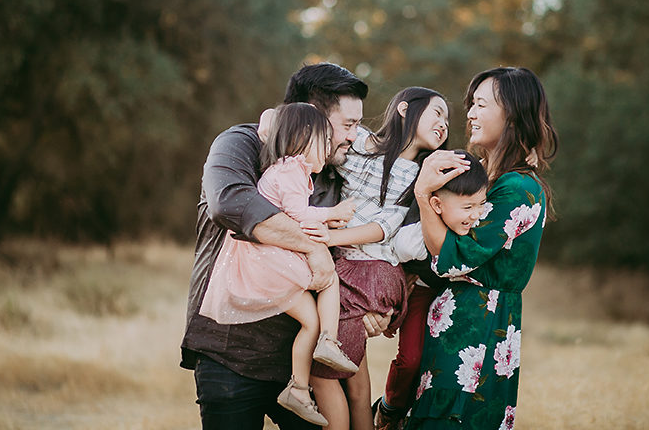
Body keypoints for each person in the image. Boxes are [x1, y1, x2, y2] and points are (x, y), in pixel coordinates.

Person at [180, 62, 372, 430]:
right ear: (311, 117)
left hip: (306, 367)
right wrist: (313, 248)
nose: (354, 136)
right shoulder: (241, 143)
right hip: (231, 354)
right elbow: (232, 203)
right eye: (348, 125)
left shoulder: (332, 169)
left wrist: (378, 304)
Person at [405, 67, 558, 430]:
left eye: (481, 104)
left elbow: (454, 257)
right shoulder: (487, 181)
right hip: (457, 327)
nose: (470, 113)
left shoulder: (517, 188)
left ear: (513, 114)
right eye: (471, 104)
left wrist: (423, 195)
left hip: (479, 333)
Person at [308, 87, 450, 430]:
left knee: (323, 377)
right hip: (363, 269)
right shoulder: (361, 141)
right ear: (405, 109)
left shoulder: (419, 174)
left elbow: (384, 227)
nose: (445, 124)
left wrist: (330, 236)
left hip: (367, 270)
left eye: (448, 119)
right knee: (355, 380)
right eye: (438, 113)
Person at [372, 151, 491, 430]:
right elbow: (391, 266)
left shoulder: (480, 227)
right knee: (411, 358)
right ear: (436, 205)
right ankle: (390, 407)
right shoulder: (412, 239)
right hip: (423, 293)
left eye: (481, 205)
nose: (475, 215)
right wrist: (396, 302)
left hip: (459, 296)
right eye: (466, 207)